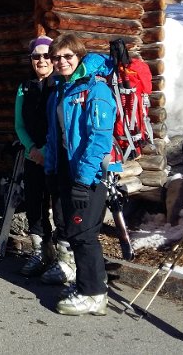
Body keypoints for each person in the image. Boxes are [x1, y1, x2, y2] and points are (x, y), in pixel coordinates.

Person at [44, 34, 116, 316]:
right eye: (56, 57)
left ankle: (94, 294)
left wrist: (83, 180)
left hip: (89, 176)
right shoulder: (62, 90)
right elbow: (55, 136)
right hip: (66, 171)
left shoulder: (96, 91)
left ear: (79, 58)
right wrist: (51, 169)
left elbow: (99, 139)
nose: (61, 62)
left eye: (67, 57)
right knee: (75, 232)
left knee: (84, 234)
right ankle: (88, 285)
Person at [14, 35, 65, 279]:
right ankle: (39, 251)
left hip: (55, 157)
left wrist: (46, 151)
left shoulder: (61, 85)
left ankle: (63, 258)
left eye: (46, 55)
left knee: (60, 206)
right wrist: (32, 149)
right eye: (36, 56)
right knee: (35, 204)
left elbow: (62, 125)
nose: (42, 60)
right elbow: (19, 124)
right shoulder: (24, 87)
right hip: (33, 156)